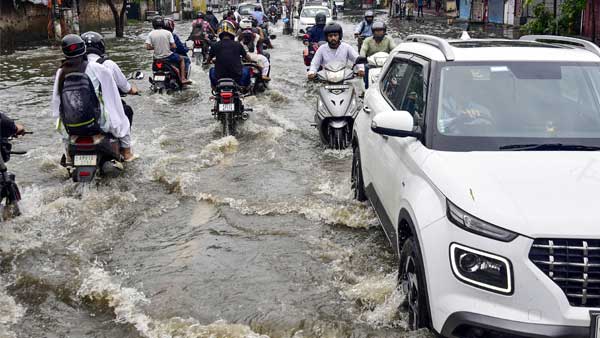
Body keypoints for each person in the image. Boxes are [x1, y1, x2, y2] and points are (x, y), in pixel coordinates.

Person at [51, 35, 134, 161]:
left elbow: (57, 104)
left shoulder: (60, 72)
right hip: (98, 124)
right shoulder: (99, 69)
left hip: (71, 127)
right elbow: (113, 102)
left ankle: (68, 157)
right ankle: (127, 154)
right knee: (122, 116)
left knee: (67, 152)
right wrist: (123, 135)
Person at [81, 31, 138, 128]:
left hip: (79, 114)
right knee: (127, 111)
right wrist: (134, 90)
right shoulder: (108, 64)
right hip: (103, 115)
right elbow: (125, 88)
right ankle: (125, 143)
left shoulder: (72, 67)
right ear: (101, 46)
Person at [145, 16, 191, 84]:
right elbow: (174, 46)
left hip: (156, 58)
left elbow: (147, 47)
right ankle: (183, 78)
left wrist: (156, 47)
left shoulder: (150, 34)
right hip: (168, 57)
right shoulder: (168, 33)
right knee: (182, 59)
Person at [207, 21, 253, 88]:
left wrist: (209, 61)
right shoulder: (237, 44)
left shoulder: (215, 45)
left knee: (211, 70)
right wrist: (251, 61)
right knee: (247, 70)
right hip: (236, 76)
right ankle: (244, 88)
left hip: (219, 77)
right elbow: (248, 58)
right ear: (232, 33)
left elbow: (208, 60)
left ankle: (214, 88)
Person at [359, 22, 395, 88]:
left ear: (384, 31)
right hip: (371, 63)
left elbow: (393, 49)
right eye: (376, 31)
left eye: (380, 30)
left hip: (385, 63)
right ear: (373, 32)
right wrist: (362, 57)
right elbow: (363, 50)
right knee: (366, 67)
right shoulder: (367, 40)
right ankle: (367, 86)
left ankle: (392, 85)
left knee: (394, 68)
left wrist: (395, 55)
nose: (378, 33)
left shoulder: (389, 39)